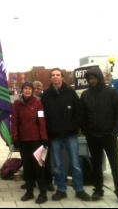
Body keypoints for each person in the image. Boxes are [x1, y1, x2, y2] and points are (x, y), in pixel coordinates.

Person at [78, 66, 118, 206]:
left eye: (94, 78)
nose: (92, 81)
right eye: (90, 79)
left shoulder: (111, 93)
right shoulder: (86, 95)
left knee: (114, 164)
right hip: (93, 136)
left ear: (99, 78)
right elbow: (81, 115)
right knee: (96, 164)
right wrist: (86, 131)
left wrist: (115, 132)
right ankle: (98, 190)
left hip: (109, 136)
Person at [41, 68, 90, 201]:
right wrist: (49, 129)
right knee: (58, 165)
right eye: (53, 75)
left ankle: (79, 189)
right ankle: (61, 189)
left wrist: (74, 126)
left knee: (75, 163)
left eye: (58, 75)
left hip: (70, 134)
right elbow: (42, 116)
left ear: (62, 77)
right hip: (55, 135)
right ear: (50, 78)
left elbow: (79, 112)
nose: (55, 77)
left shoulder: (71, 93)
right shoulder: (45, 95)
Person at [12, 82, 48, 204]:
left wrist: (44, 138)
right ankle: (29, 191)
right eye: (25, 88)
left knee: (39, 166)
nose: (27, 91)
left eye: (29, 89)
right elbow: (15, 121)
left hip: (37, 140)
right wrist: (15, 138)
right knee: (27, 167)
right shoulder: (17, 104)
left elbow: (41, 120)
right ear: (22, 90)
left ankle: (43, 193)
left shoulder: (38, 102)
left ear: (33, 90)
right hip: (24, 140)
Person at [32, 80, 55, 192]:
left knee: (45, 158)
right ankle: (32, 180)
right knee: (34, 159)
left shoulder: (45, 99)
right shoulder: (29, 100)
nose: (36, 90)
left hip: (45, 133)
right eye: (34, 88)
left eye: (38, 87)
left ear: (41, 88)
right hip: (32, 134)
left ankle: (49, 181)